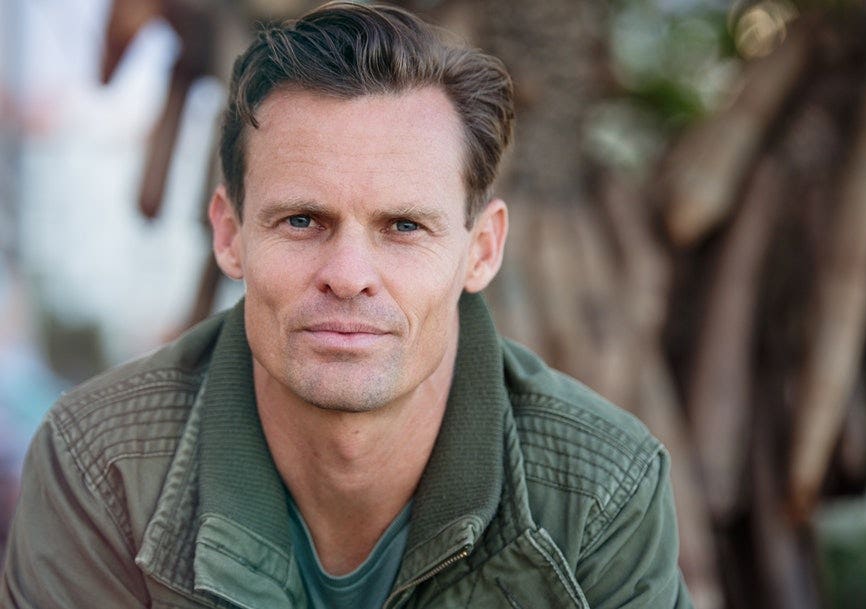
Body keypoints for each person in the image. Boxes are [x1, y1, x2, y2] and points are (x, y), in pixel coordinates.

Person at [0, 3, 692, 608]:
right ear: (229, 235)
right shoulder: (102, 463)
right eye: (302, 220)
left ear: (481, 250)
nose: (349, 275)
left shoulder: (602, 488)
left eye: (403, 226)